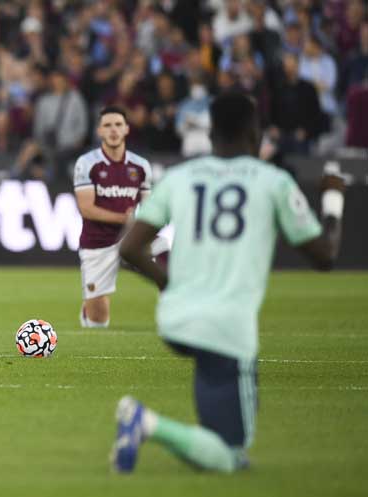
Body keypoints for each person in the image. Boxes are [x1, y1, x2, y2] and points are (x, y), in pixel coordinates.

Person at [114, 93, 344, 473]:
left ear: (212, 133)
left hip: (177, 321)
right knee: (231, 455)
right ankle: (145, 423)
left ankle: (178, 430)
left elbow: (131, 248)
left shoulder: (180, 177)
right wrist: (334, 199)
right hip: (228, 328)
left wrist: (169, 285)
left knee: (218, 424)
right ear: (254, 134)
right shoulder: (273, 182)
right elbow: (325, 257)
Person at [73, 106, 172, 329]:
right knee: (98, 320)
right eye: (107, 125)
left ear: (127, 129)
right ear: (99, 131)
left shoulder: (140, 166)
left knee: (170, 264)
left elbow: (149, 207)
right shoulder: (87, 163)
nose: (113, 130)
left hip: (134, 238)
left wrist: (150, 220)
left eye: (118, 125)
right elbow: (86, 208)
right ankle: (90, 306)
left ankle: (176, 314)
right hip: (98, 242)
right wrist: (124, 218)